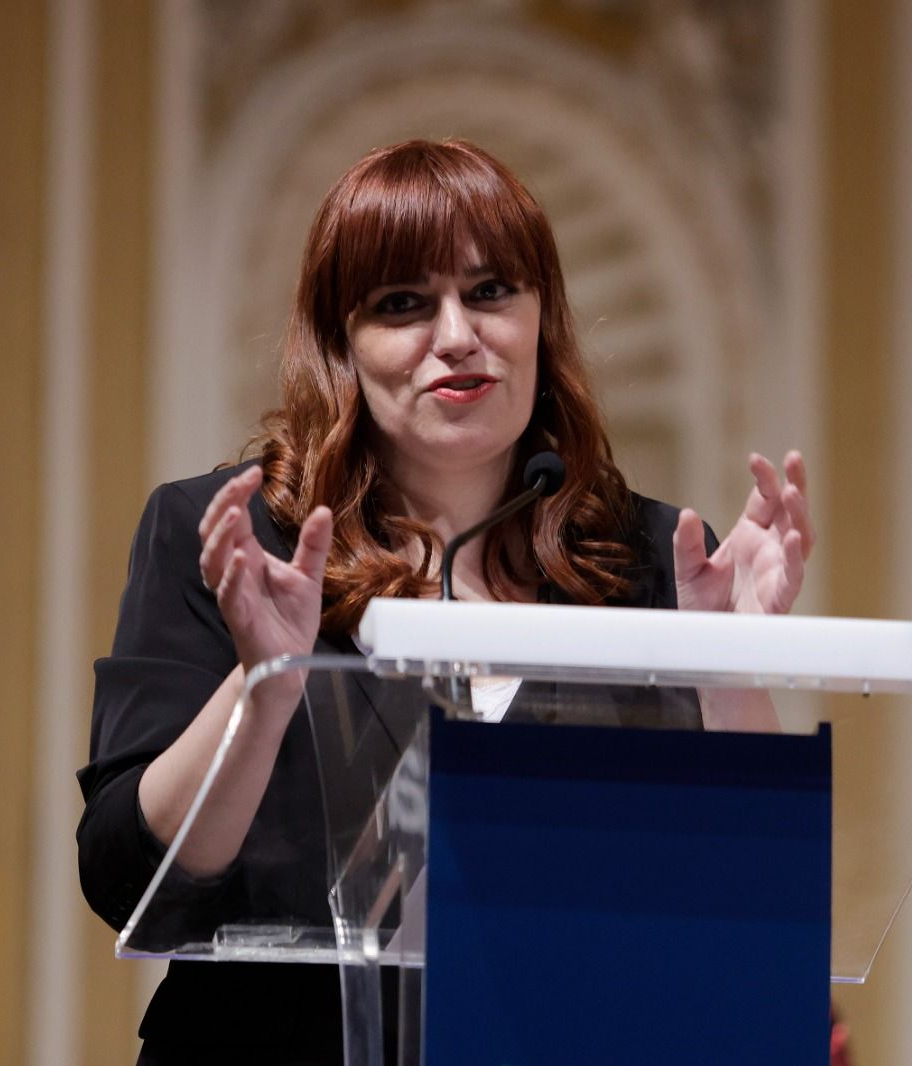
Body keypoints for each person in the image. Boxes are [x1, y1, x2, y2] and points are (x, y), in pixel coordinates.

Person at [77, 139, 817, 1065]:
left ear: (542, 321)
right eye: (403, 305)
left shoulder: (653, 563)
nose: (458, 335)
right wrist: (264, 686)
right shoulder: (237, 541)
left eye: (492, 292)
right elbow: (126, 875)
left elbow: (756, 898)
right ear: (341, 345)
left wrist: (732, 674)